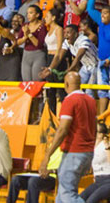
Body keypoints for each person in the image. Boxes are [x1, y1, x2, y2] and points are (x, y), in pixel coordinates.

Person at [39, 71, 97, 203]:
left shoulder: (70, 100)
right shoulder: (91, 101)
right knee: (61, 196)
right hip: (87, 152)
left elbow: (63, 130)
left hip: (74, 151)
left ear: (66, 84)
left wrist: (47, 155)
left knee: (67, 194)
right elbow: (94, 128)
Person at [80, 122, 110, 203]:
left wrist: (107, 145)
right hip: (97, 181)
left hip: (108, 181)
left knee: (90, 201)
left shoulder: (105, 145)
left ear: (100, 135)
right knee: (80, 198)